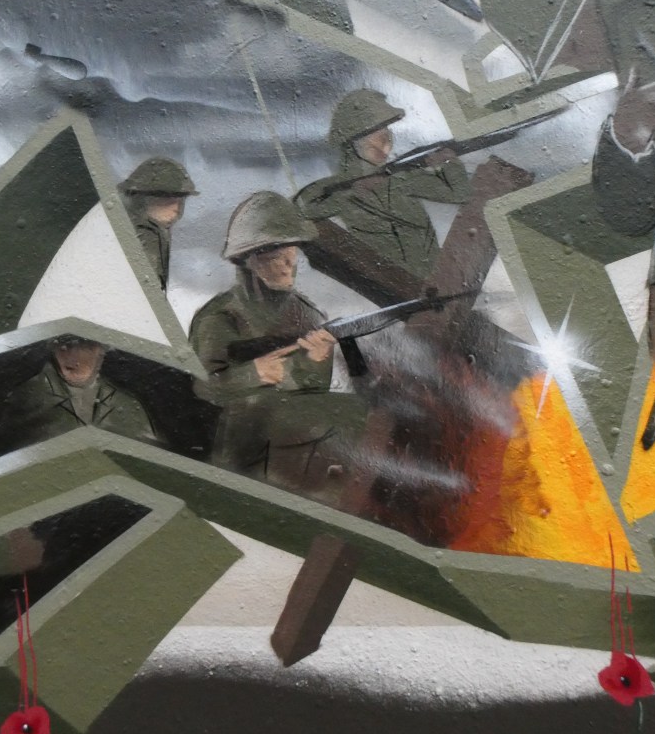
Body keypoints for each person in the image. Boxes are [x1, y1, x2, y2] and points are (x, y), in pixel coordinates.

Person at [480, 0, 655, 378]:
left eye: (568, 51)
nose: (580, 65)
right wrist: (629, 133)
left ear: (575, 19)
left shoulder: (635, 10)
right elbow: (634, 209)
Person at [189, 191, 367, 504]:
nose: (288, 263)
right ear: (249, 259)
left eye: (292, 252)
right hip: (244, 454)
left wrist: (315, 359)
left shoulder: (309, 315)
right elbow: (202, 386)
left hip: (298, 449)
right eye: (276, 255)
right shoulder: (220, 317)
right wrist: (253, 374)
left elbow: (312, 391)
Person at [295, 89, 470, 280]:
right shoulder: (337, 188)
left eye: (386, 130)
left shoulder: (401, 178)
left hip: (435, 280)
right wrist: (353, 190)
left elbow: (459, 193)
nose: (384, 140)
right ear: (352, 141)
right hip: (390, 283)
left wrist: (449, 162)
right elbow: (297, 210)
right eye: (374, 132)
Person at [0, 335, 156, 457]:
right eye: (64, 344)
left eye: (85, 346)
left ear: (101, 350)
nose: (74, 357)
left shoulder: (126, 405)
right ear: (53, 347)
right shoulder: (26, 397)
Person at [119, 157, 198, 292]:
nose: (177, 208)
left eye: (181, 200)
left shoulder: (156, 230)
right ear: (144, 200)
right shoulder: (141, 235)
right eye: (170, 200)